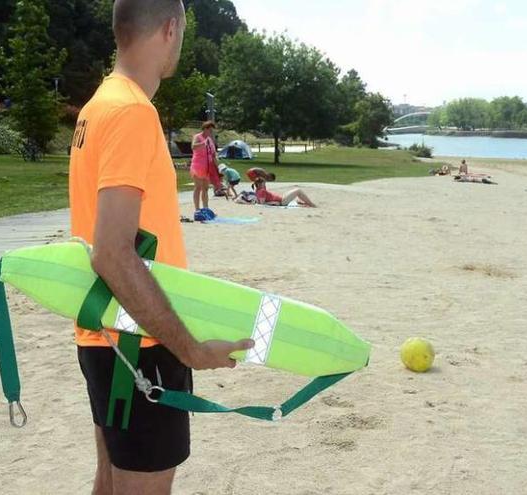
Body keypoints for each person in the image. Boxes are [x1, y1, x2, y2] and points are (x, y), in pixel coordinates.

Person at [67, 2, 253, 493]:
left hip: (105, 334)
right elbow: (111, 251)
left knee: (109, 480)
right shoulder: (131, 112)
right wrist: (189, 349)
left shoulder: (98, 105)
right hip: (138, 345)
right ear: (171, 29)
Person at [190, 121, 217, 212]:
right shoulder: (197, 137)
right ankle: (197, 209)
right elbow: (193, 146)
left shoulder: (210, 139)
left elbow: (213, 154)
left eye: (212, 131)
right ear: (205, 129)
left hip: (207, 166)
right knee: (198, 187)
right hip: (198, 165)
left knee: (205, 188)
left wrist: (216, 168)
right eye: (210, 130)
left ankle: (206, 208)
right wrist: (203, 143)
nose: (211, 132)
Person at [253, 178, 317, 207]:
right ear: (260, 184)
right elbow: (262, 203)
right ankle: (311, 204)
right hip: (282, 202)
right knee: (298, 190)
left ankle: (305, 203)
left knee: (295, 193)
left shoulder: (258, 190)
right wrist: (274, 203)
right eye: (264, 183)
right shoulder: (262, 191)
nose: (265, 184)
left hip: (281, 199)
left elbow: (260, 201)